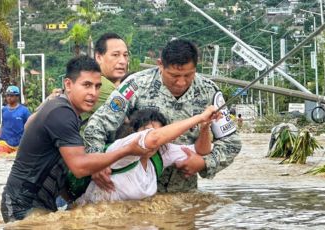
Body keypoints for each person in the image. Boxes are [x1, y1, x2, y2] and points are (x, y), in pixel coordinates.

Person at [0, 56, 152, 223]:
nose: (93, 93)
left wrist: (74, 203)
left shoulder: (62, 110)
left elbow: (32, 127)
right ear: (68, 84)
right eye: (86, 85)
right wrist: (127, 150)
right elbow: (79, 167)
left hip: (40, 203)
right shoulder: (62, 113)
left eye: (97, 86)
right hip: (21, 205)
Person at [84, 39, 242, 193]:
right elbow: (97, 124)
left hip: (184, 193)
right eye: (174, 76)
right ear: (160, 64)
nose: (181, 82)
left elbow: (232, 142)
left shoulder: (209, 91)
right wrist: (97, 161)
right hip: (133, 189)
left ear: (196, 67)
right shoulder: (136, 85)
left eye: (188, 75)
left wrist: (205, 162)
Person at [76, 107, 215, 204]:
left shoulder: (160, 154)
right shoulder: (123, 148)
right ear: (134, 131)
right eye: (146, 131)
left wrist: (204, 127)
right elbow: (153, 139)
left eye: (159, 132)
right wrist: (199, 117)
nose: (155, 137)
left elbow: (201, 151)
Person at [80, 32, 129, 121]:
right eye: (115, 55)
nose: (123, 61)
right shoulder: (101, 86)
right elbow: (128, 119)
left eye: (125, 55)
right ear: (99, 57)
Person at [0, 85, 31, 154]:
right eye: (7, 95)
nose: (9, 98)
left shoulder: (24, 111)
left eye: (11, 96)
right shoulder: (4, 110)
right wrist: (0, 137)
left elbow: (30, 126)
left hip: (19, 143)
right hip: (4, 142)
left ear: (17, 97)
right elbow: (3, 124)